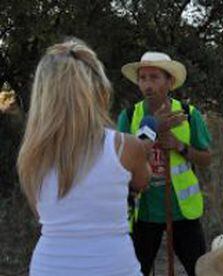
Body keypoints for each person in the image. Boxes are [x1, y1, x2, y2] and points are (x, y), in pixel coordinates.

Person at [17, 39, 152, 276]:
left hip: (50, 267)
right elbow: (142, 183)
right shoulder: (125, 147)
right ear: (98, 91)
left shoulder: (30, 155)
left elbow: (44, 214)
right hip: (113, 266)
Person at [118, 51, 212, 276]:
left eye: (154, 77)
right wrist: (152, 130)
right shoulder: (130, 116)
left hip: (181, 211)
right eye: (142, 78)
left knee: (200, 269)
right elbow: (119, 162)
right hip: (144, 212)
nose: (147, 85)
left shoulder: (188, 114)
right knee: (135, 270)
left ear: (170, 81)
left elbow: (207, 157)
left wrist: (180, 147)